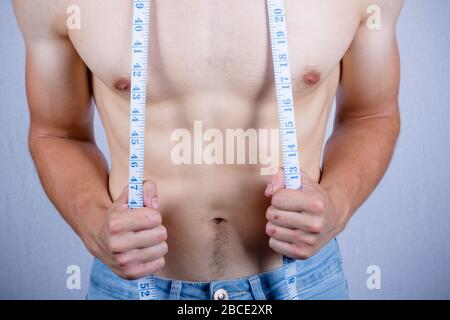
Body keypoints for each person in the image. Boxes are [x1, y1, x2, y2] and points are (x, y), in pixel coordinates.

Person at [13, 0, 404, 300]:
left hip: (300, 282)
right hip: (134, 285)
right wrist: (93, 222)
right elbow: (57, 132)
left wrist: (338, 202)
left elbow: (370, 114)